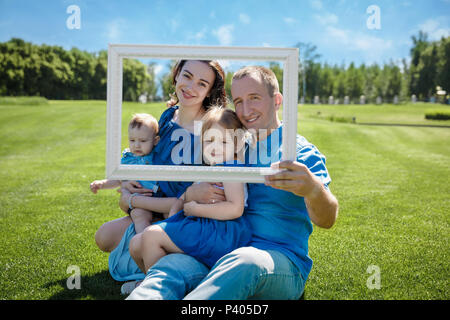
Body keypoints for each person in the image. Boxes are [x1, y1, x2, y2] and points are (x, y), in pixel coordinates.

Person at [126, 65, 339, 300]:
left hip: (276, 260)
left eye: (254, 98)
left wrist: (313, 189)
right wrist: (189, 193)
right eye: (238, 101)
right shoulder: (233, 147)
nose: (245, 110)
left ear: (277, 100)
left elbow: (327, 219)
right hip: (221, 252)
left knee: (245, 261)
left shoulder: (298, 151)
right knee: (169, 270)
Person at [94, 59, 227, 290]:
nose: (190, 87)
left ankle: (156, 278)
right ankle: (157, 257)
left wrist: (132, 200)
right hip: (156, 208)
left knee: (142, 239)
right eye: (187, 76)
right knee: (103, 237)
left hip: (189, 215)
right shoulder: (167, 117)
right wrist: (128, 187)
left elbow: (209, 191)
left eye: (202, 83)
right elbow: (147, 160)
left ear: (209, 91)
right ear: (176, 75)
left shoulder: (212, 127)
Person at [131, 106, 251, 277]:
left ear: (237, 144)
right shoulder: (211, 167)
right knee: (136, 244)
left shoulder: (232, 168)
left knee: (151, 236)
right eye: (209, 140)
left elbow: (235, 208)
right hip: (201, 226)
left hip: (221, 233)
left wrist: (196, 209)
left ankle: (159, 289)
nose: (215, 147)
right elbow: (181, 201)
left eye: (223, 142)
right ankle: (152, 280)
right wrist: (174, 217)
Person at [90, 113, 160, 234]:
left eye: (143, 141)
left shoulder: (157, 156)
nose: (136, 145)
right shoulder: (128, 159)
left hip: (158, 199)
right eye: (132, 140)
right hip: (138, 202)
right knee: (140, 215)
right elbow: (119, 180)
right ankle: (143, 240)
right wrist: (102, 184)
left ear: (155, 141)